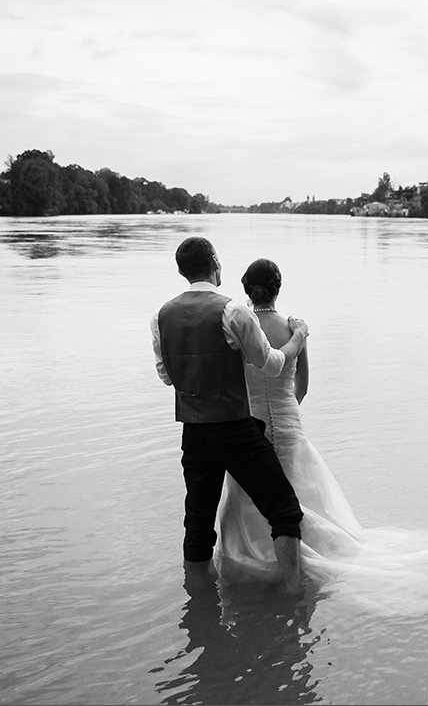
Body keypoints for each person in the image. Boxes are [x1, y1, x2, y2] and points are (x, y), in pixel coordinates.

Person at [151, 237, 309, 593]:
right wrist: (298, 336)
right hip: (235, 428)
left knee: (198, 521)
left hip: (193, 430)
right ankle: (295, 594)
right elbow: (271, 365)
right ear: (215, 264)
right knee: (284, 509)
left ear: (181, 270)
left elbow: (166, 376)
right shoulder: (234, 311)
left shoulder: (160, 316)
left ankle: (197, 603)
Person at [215, 258, 366, 584]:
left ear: (246, 289)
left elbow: (230, 384)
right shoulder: (295, 329)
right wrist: (284, 412)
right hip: (288, 421)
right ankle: (300, 561)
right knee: (297, 494)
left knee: (251, 494)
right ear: (277, 288)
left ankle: (252, 559)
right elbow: (303, 387)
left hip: (248, 423)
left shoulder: (238, 328)